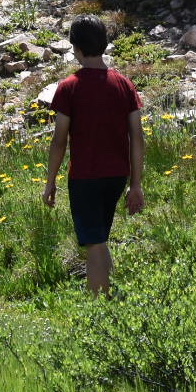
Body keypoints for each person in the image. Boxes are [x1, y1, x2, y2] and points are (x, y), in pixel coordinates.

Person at [41, 15, 145, 295]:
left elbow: (59, 140)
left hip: (85, 176)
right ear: (104, 42)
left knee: (94, 242)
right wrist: (136, 184)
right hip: (117, 176)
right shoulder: (124, 85)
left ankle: (98, 309)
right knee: (99, 238)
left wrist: (50, 181)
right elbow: (137, 136)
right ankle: (111, 297)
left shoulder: (69, 87)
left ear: (75, 47)